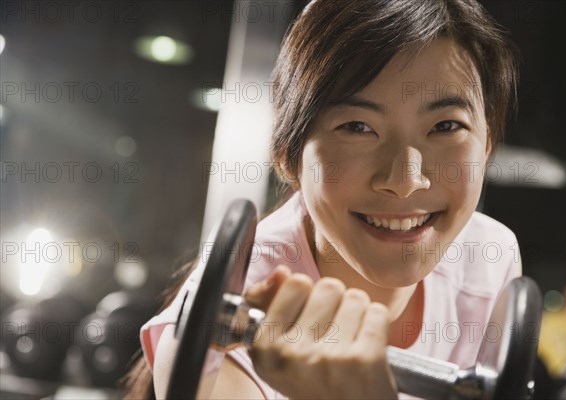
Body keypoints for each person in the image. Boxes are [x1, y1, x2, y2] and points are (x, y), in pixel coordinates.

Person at [124, 0, 522, 398]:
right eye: (357, 127)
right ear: (288, 156)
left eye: (446, 125)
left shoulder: (489, 260)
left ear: (486, 144)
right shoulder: (213, 339)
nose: (404, 180)